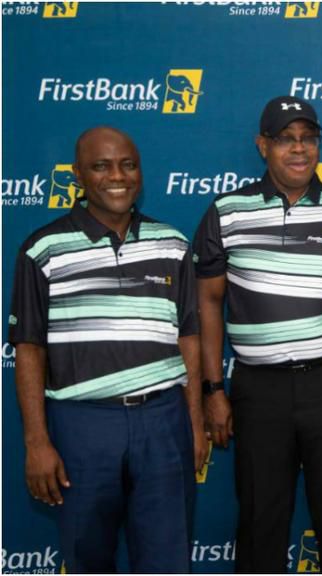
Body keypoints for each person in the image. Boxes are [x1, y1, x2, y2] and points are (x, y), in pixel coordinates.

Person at [193, 95, 322, 572]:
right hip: (259, 389)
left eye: (308, 138)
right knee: (260, 519)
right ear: (263, 146)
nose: (298, 149)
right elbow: (208, 302)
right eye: (285, 140)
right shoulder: (226, 212)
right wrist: (214, 388)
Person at [9, 126, 205, 572]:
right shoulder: (43, 249)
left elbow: (188, 337)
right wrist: (37, 441)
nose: (117, 176)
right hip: (82, 427)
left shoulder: (172, 244)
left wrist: (193, 422)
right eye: (101, 166)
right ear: (78, 174)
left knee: (166, 558)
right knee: (86, 557)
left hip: (163, 421)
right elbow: (28, 349)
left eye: (128, 165)